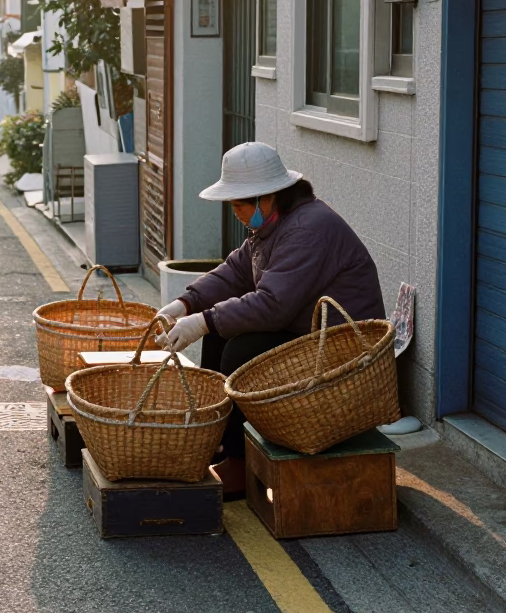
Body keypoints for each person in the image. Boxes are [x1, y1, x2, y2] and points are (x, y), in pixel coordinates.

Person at [155, 141, 385, 496]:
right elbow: (235, 271)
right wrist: (186, 303)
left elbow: (273, 304)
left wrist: (202, 320)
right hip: (307, 329)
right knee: (220, 333)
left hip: (342, 346)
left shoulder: (307, 230)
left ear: (267, 197)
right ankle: (220, 441)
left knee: (240, 351)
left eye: (239, 204)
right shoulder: (276, 225)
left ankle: (239, 464)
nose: (235, 212)